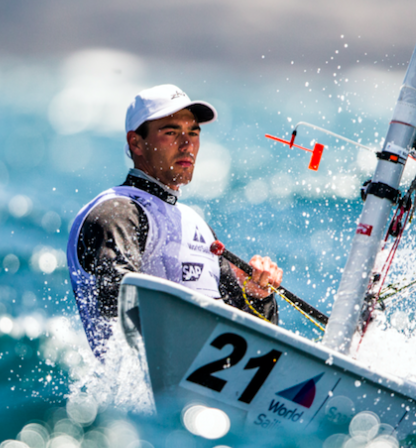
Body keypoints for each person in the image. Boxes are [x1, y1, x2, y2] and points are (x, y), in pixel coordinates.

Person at [67, 84, 284, 356]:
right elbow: (117, 304)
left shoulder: (199, 227)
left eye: (193, 133)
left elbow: (259, 349)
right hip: (147, 380)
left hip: (208, 379)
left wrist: (256, 295)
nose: (187, 144)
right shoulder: (117, 212)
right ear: (136, 143)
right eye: (171, 132)